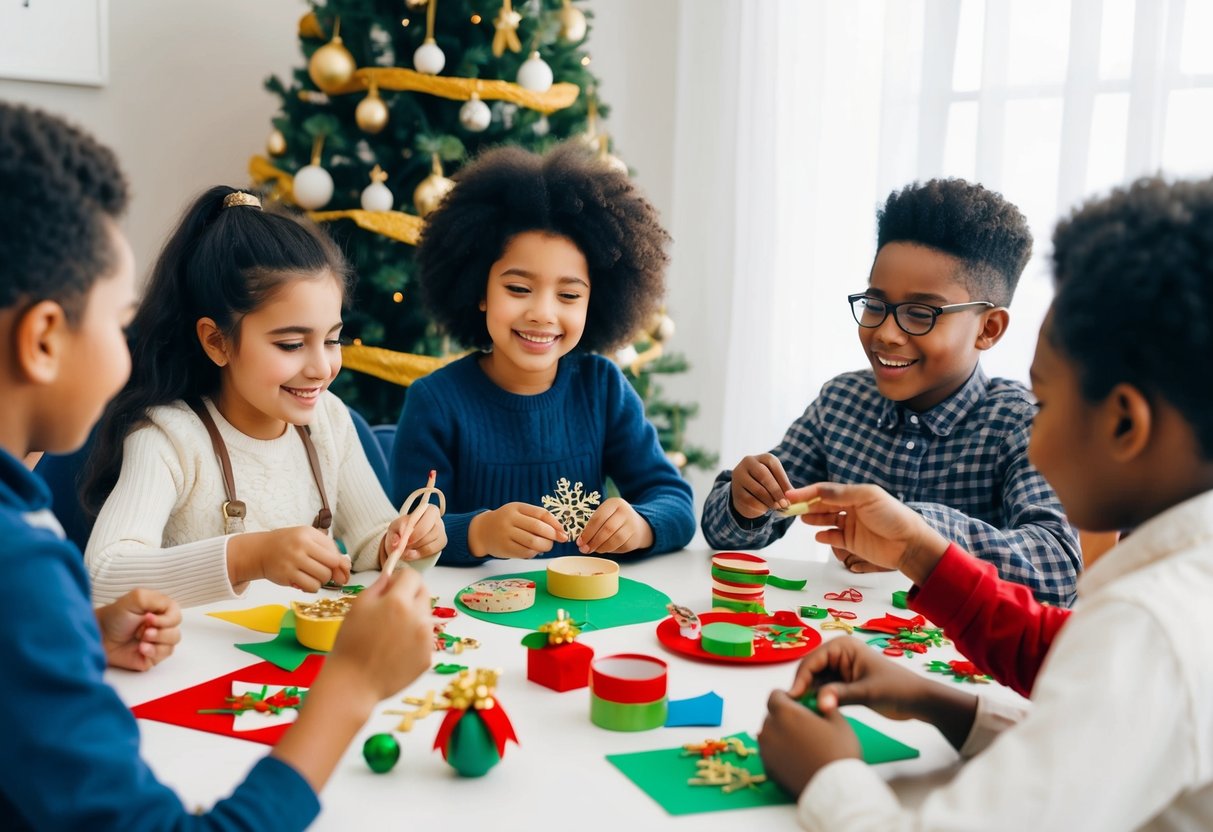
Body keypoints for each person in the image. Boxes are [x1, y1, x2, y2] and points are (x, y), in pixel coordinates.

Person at [0, 101, 435, 830]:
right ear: (44, 338)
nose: (127, 352)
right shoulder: (21, 569)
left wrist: (84, 629)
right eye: (118, 320)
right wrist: (351, 685)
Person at [758, 176, 1213, 830]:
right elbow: (1069, 670)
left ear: (1122, 424)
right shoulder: (1167, 599)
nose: (1038, 435)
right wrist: (942, 700)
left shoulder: (1149, 629)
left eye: (1047, 404)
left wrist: (829, 775)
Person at [700, 178, 1082, 606]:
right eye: (875, 304)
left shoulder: (1020, 422)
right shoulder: (840, 403)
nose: (885, 333)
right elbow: (723, 534)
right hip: (844, 641)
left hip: (957, 666)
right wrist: (743, 502)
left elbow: (1057, 569)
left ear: (987, 329)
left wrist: (917, 534)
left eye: (920, 314)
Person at [80, 184, 445, 607]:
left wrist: (404, 541)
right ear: (217, 341)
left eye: (331, 340)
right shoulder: (170, 440)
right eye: (291, 345)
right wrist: (248, 556)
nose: (321, 368)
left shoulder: (328, 420)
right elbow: (102, 576)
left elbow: (371, 546)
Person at [389, 142, 695, 565]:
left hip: (586, 617)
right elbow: (403, 531)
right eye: (518, 289)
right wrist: (478, 533)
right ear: (479, 289)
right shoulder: (435, 402)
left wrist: (641, 524)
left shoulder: (602, 387)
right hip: (471, 622)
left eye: (569, 294)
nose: (542, 313)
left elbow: (675, 502)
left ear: (597, 302)